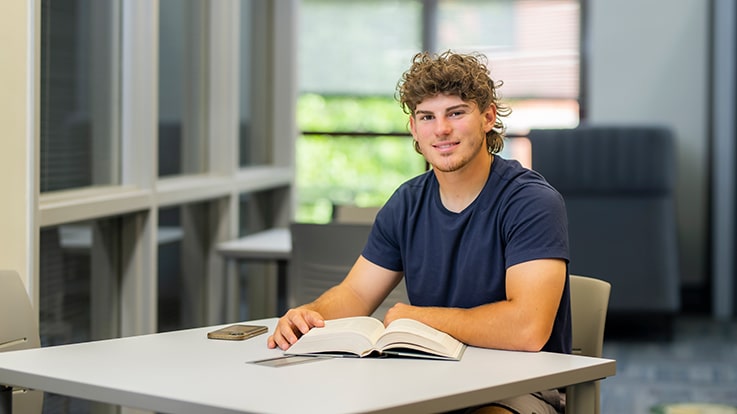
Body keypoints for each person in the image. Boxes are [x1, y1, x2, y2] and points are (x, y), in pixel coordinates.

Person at [268, 50, 571, 414]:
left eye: (456, 113)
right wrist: (308, 315)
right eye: (427, 116)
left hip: (518, 387)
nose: (441, 129)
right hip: (429, 379)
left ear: (488, 117)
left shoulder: (531, 202)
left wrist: (418, 316)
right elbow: (355, 293)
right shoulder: (406, 203)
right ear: (414, 128)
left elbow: (528, 329)